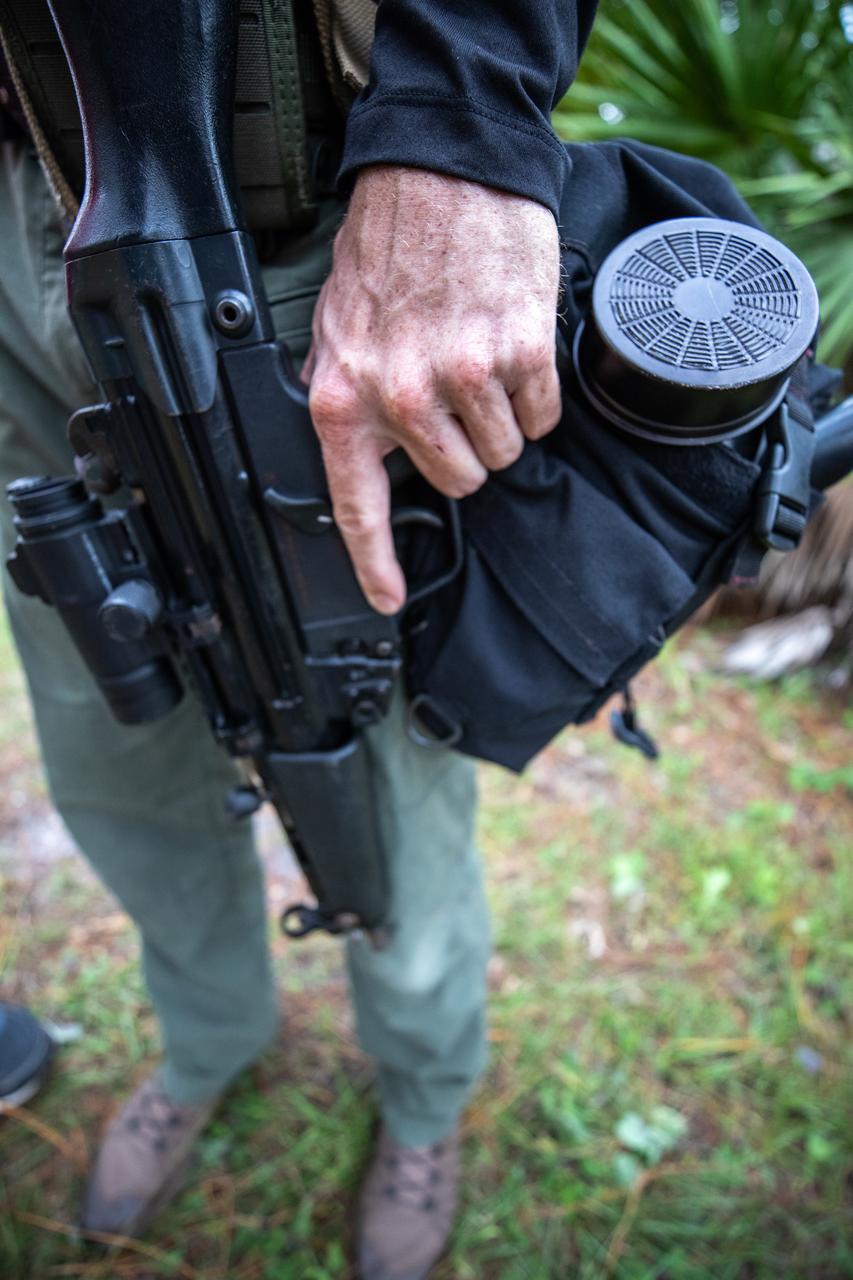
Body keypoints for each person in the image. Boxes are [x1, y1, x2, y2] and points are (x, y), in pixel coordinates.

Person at [0, 2, 598, 1275]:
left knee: (369, 737)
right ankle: (208, 1037)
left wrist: (463, 119)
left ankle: (424, 1096)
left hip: (284, 213)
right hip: (16, 226)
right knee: (113, 732)